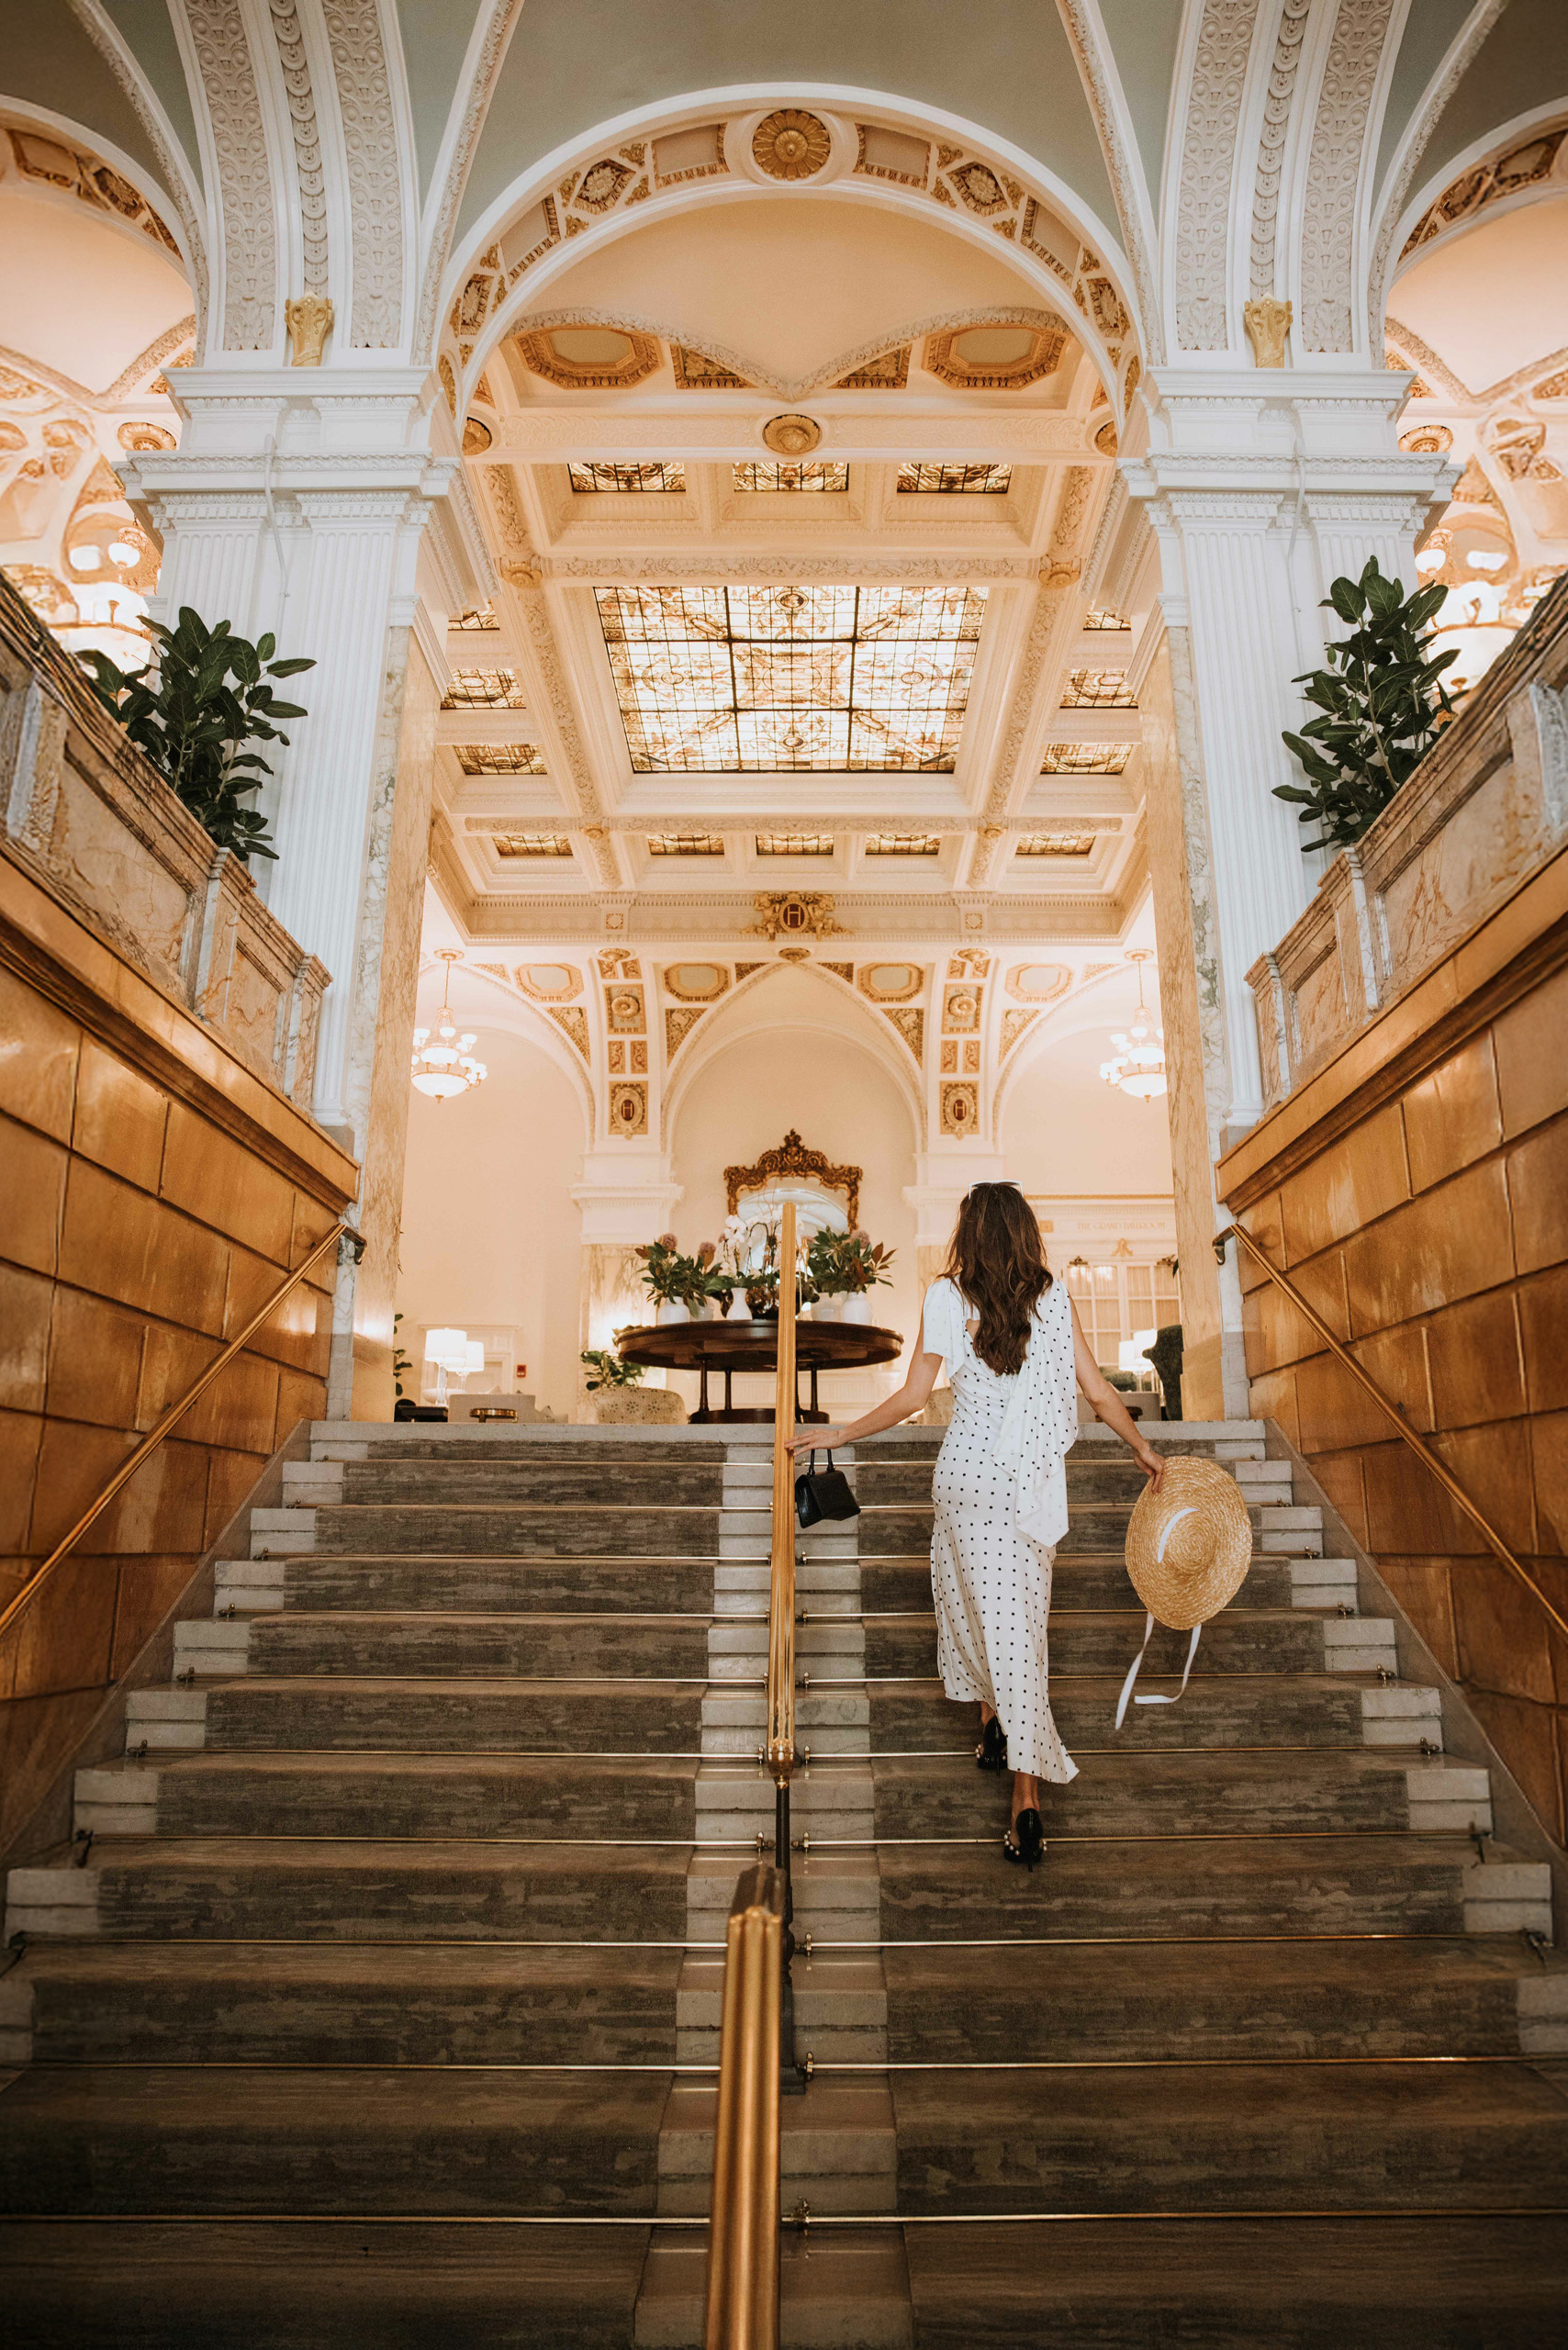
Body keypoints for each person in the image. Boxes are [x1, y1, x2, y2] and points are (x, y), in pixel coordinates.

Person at [789, 1183, 1164, 1867]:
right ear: (1024, 1235)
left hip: (966, 1481)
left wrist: (836, 1432)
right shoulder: (1053, 1301)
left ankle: (992, 1724)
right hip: (1024, 1488)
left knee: (969, 1612)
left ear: (970, 1234)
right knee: (1020, 1629)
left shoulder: (945, 1297)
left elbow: (909, 1398)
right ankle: (1026, 1802)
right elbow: (1099, 1391)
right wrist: (1140, 1447)